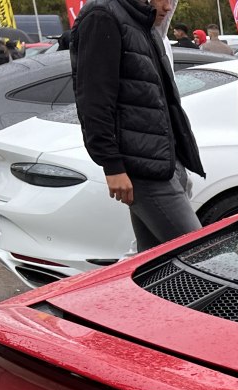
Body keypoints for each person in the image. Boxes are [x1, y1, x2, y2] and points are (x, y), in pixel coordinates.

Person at [71, 0, 205, 252]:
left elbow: (159, 99)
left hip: (160, 162)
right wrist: (112, 164)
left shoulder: (141, 23)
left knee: (156, 265)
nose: (168, 7)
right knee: (198, 255)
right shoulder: (104, 14)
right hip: (144, 169)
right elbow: (94, 98)